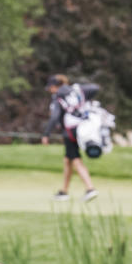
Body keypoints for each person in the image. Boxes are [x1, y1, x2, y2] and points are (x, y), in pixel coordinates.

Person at [41, 74, 99, 202]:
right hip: (83, 128)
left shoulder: (58, 97)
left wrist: (46, 134)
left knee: (76, 160)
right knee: (68, 160)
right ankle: (64, 191)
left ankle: (90, 188)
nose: (50, 90)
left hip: (70, 132)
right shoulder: (77, 91)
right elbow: (95, 88)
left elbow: (55, 116)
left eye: (50, 88)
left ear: (55, 86)